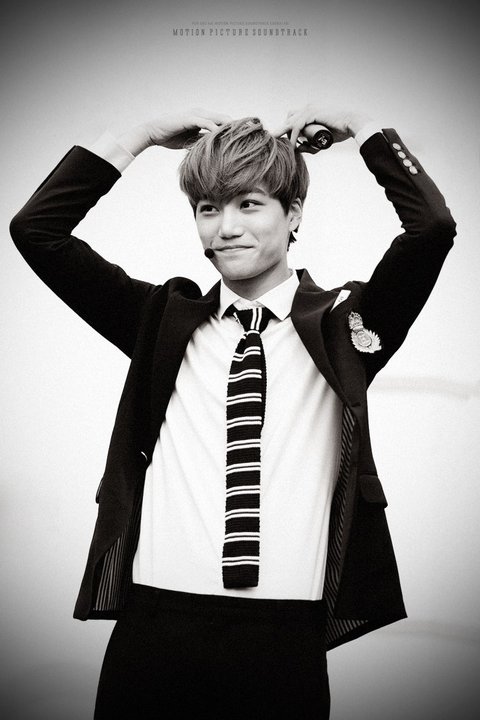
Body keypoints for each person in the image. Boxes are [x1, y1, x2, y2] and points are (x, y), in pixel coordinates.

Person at [10, 105, 456, 719]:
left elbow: (432, 228)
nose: (225, 228)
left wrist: (360, 123)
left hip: (282, 640)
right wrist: (135, 136)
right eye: (208, 208)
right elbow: (37, 230)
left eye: (249, 204)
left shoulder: (344, 327)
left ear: (293, 215)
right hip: (155, 629)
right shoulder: (160, 322)